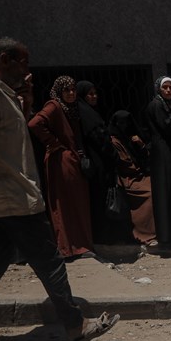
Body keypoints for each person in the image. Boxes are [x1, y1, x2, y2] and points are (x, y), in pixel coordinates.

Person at [0, 38, 117, 341]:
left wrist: (27, 98)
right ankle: (75, 325)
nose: (26, 68)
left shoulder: (4, 95)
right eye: (22, 61)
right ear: (6, 59)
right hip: (12, 195)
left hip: (10, 194)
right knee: (49, 260)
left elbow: (11, 133)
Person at [27, 75, 94, 260]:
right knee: (62, 205)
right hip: (61, 160)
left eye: (73, 89)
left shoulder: (71, 109)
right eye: (66, 90)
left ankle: (80, 246)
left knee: (77, 203)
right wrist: (53, 142)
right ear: (59, 92)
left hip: (72, 160)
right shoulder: (54, 106)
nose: (71, 93)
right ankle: (66, 248)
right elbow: (34, 123)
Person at [144, 76, 171, 246]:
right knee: (166, 192)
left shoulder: (166, 105)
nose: (169, 90)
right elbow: (167, 127)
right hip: (162, 154)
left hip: (167, 152)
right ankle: (168, 237)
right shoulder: (157, 105)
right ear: (158, 89)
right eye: (165, 88)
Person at [107, 110, 156, 245]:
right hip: (127, 178)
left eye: (126, 123)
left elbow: (145, 155)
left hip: (139, 175)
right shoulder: (115, 141)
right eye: (121, 123)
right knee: (149, 193)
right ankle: (144, 233)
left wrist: (140, 144)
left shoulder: (131, 138)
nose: (124, 126)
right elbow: (126, 164)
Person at [75, 80, 115, 244]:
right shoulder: (85, 114)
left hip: (100, 163)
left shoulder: (91, 112)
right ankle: (100, 237)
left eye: (95, 93)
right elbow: (98, 138)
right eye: (90, 94)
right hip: (96, 163)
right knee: (97, 201)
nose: (94, 96)